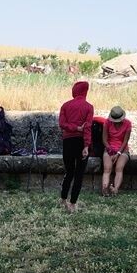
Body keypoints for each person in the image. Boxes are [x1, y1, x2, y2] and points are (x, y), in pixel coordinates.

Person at [58, 81, 94, 212]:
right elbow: (88, 128)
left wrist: (74, 128)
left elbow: (62, 124)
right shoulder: (89, 107)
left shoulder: (65, 105)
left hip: (68, 141)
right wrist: (86, 145)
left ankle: (63, 199)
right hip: (81, 142)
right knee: (79, 174)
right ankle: (73, 203)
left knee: (69, 171)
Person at [101, 106, 132, 196]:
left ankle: (115, 189)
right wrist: (110, 151)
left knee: (119, 168)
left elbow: (125, 141)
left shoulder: (128, 124)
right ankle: (104, 188)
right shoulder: (107, 122)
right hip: (109, 148)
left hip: (122, 149)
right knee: (107, 168)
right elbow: (104, 140)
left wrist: (118, 153)